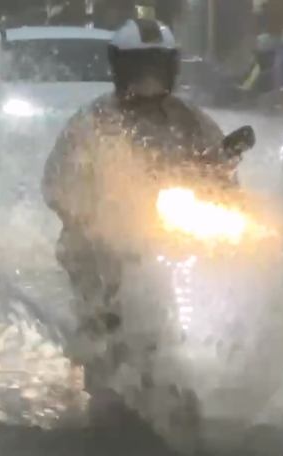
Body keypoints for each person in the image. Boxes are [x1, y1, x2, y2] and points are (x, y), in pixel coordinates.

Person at [41, 18, 227, 351]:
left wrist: (223, 174)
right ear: (120, 66)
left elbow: (218, 167)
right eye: (140, 66)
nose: (148, 76)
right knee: (103, 314)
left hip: (168, 235)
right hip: (100, 243)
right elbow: (56, 184)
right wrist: (91, 217)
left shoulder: (189, 118)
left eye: (156, 65)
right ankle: (96, 359)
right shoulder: (95, 120)